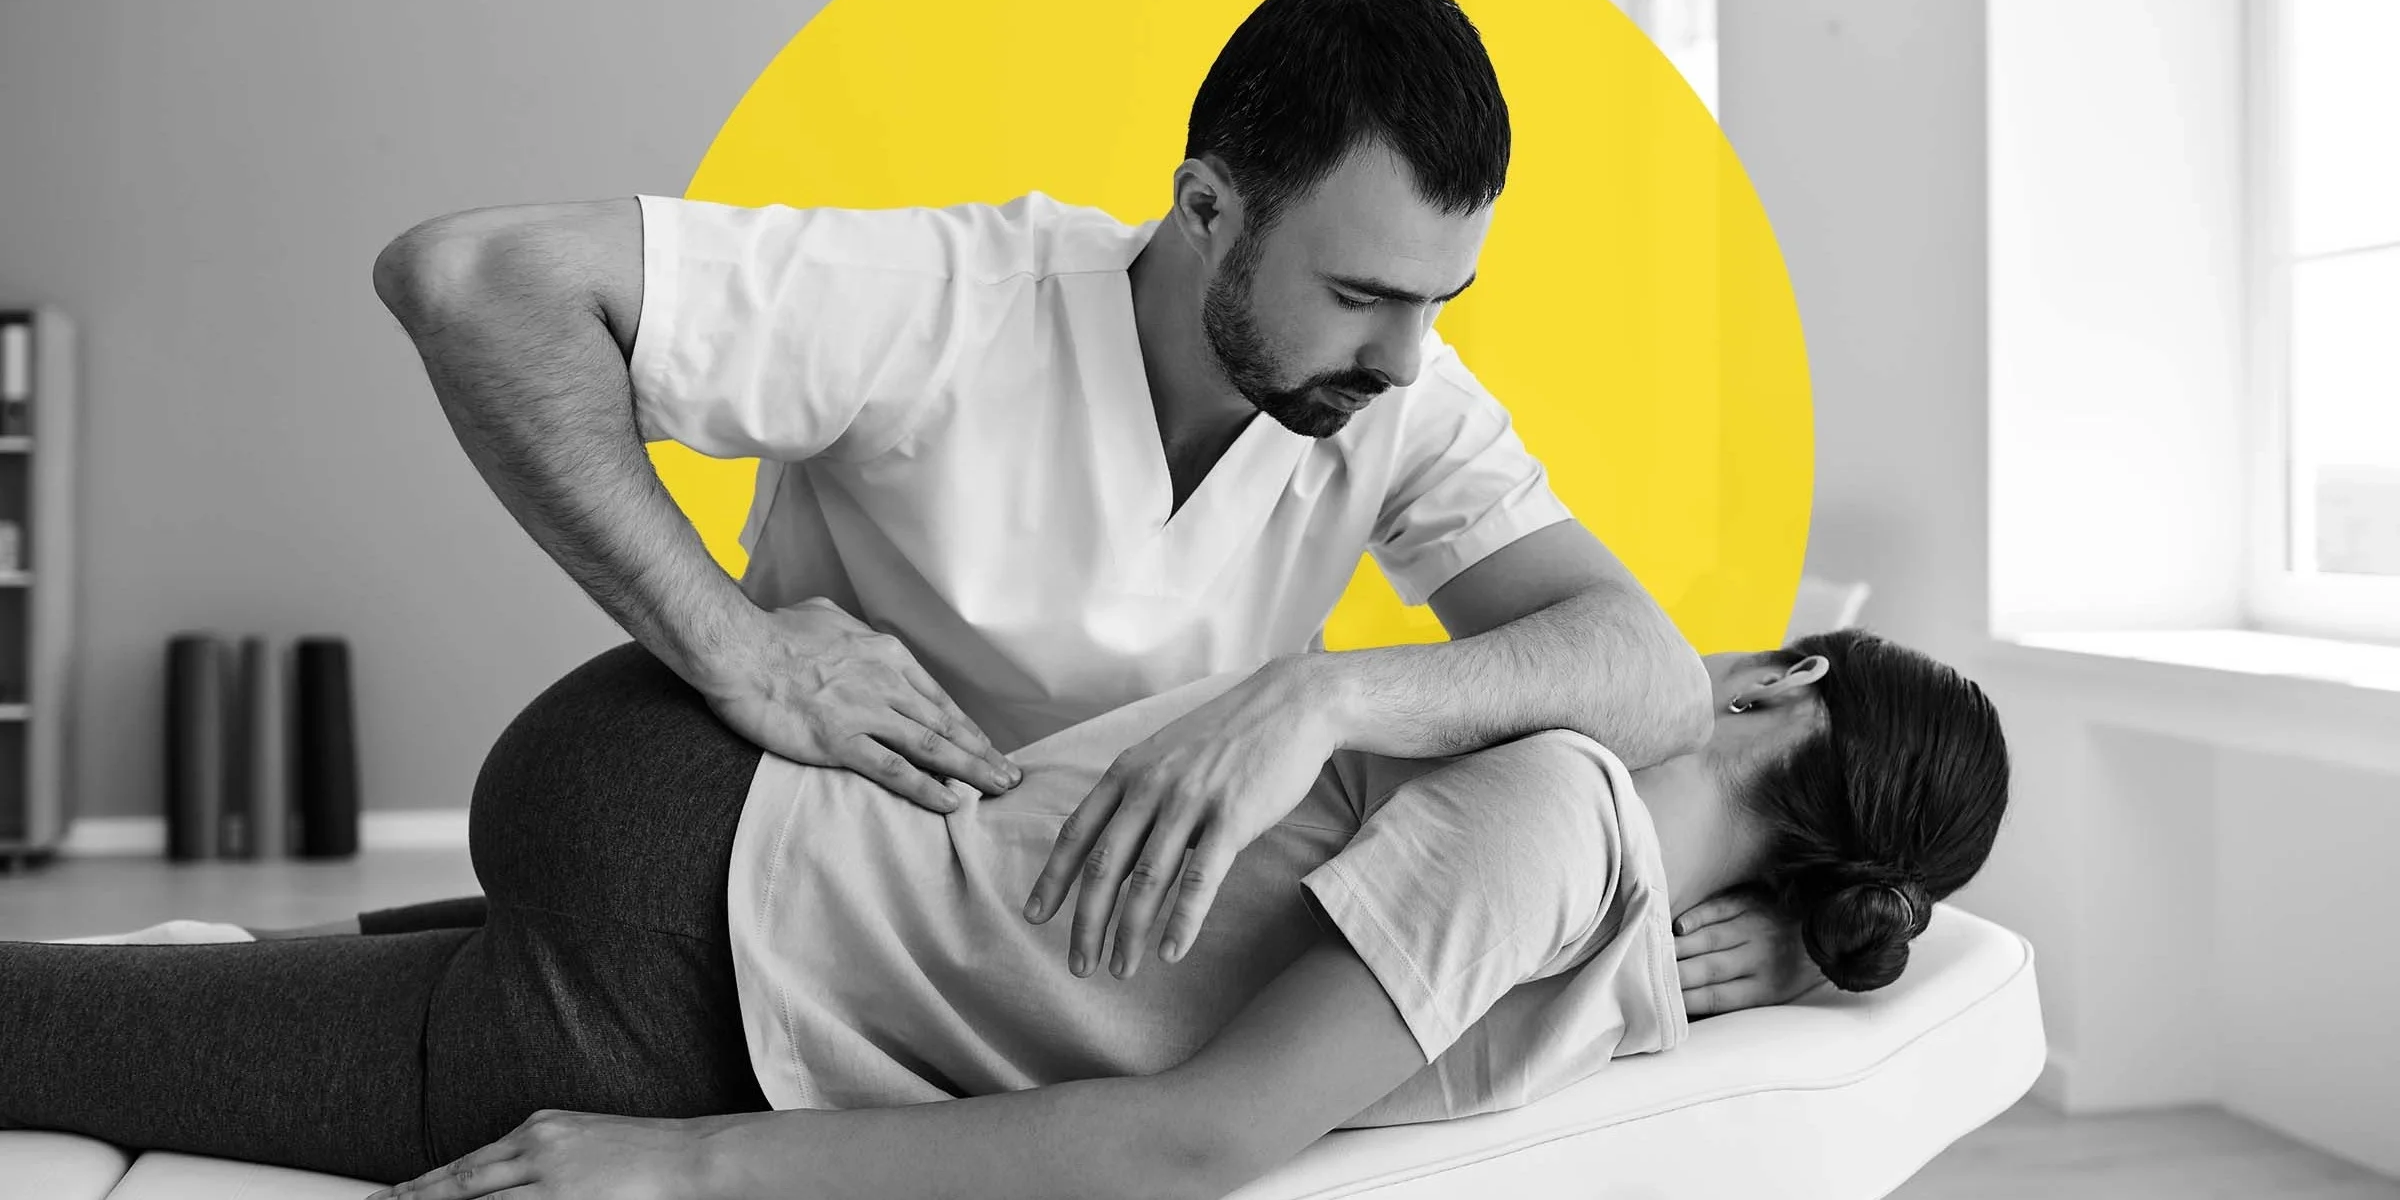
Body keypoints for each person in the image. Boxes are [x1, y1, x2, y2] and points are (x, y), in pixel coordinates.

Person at [367, 0, 1815, 1003]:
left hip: (1060, 962)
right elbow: (474, 281)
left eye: (1444, 298)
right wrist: (732, 646)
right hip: (782, 882)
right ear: (1205, 209)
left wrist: (1321, 696)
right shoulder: (947, 298)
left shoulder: (1399, 398)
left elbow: (1650, 672)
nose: (1408, 356)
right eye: (1366, 292)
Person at [0, 629, 2010, 1200]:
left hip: (699, 898)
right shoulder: (1588, 866)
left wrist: (688, 1172)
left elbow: (1193, 1138)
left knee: (148, 1016)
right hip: (698, 909)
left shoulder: (1559, 820)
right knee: (65, 1033)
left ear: (1774, 686)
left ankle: (369, 968)